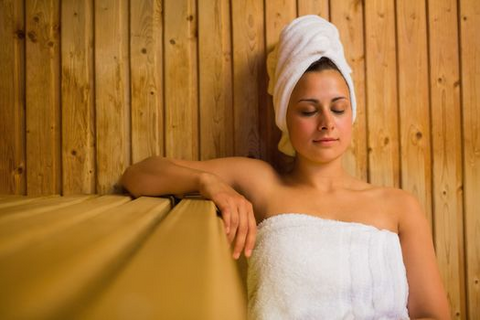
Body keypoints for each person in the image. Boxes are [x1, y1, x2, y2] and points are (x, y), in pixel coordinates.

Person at [121, 15, 449, 320]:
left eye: (338, 108)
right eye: (308, 111)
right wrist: (208, 182)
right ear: (285, 118)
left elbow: (432, 315)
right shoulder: (264, 184)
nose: (326, 123)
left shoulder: (399, 206)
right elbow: (138, 176)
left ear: (352, 114)